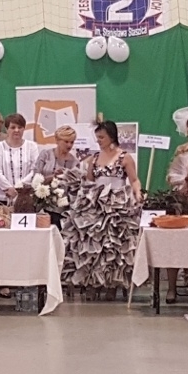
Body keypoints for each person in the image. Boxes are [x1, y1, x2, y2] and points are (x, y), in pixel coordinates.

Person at [61, 120, 141, 296]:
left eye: (102, 137)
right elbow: (89, 182)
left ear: (111, 136)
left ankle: (113, 283)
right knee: (95, 241)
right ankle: (95, 281)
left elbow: (134, 180)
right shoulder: (95, 158)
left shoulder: (125, 157)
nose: (98, 140)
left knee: (114, 244)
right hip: (96, 204)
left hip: (118, 205)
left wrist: (138, 193)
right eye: (97, 137)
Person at [0, 114, 41, 205]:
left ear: (24, 129)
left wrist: (19, 188)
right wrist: (9, 189)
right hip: (1, 198)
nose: (16, 130)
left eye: (20, 127)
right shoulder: (0, 146)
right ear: (7, 129)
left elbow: (35, 170)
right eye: (13, 127)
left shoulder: (32, 146)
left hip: (25, 197)